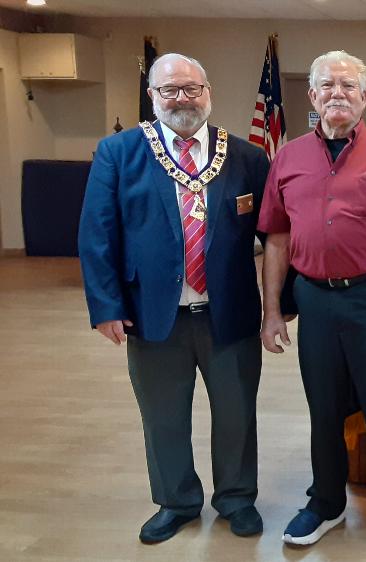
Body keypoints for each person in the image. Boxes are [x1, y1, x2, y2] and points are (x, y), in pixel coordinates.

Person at [78, 53, 269, 543]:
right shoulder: (118, 152)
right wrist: (106, 306)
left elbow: (277, 235)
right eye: (170, 90)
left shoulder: (247, 157)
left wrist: (279, 306)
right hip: (152, 315)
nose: (182, 99)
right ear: (152, 95)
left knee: (236, 413)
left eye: (191, 88)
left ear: (208, 91)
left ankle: (236, 498)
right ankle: (177, 500)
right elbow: (96, 235)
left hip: (230, 314)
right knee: (163, 417)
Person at [257, 50, 366, 560]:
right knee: (323, 408)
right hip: (315, 301)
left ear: (364, 97)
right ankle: (327, 502)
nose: (338, 93)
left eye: (349, 86)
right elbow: (276, 239)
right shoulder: (286, 158)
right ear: (312, 96)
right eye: (327, 85)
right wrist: (271, 311)